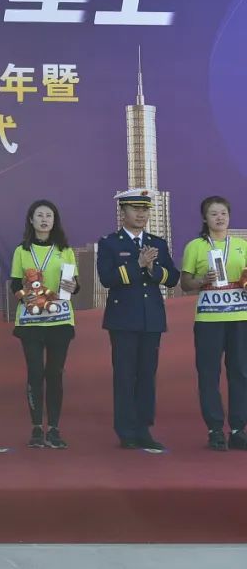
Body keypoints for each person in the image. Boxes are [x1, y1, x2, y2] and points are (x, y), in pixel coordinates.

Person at [97, 188, 180, 451]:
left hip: (151, 318)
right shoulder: (110, 243)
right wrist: (138, 264)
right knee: (124, 375)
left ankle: (143, 428)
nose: (141, 214)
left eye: (145, 209)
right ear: (122, 212)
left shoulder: (157, 243)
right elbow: (107, 279)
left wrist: (153, 269)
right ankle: (126, 431)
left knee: (146, 375)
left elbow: (173, 278)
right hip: (123, 319)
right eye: (135, 209)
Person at [9, 200, 80, 450]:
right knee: (35, 373)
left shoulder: (65, 250)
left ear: (54, 220)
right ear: (31, 220)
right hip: (31, 321)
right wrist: (24, 297)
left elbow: (73, 285)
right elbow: (15, 284)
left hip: (59, 320)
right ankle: (37, 427)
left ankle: (54, 429)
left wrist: (73, 287)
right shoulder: (22, 251)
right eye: (39, 215)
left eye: (48, 215)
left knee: (55, 373)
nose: (44, 220)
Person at [179, 196, 247, 451]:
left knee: (240, 372)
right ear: (205, 219)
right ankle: (215, 429)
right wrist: (202, 280)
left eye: (223, 214)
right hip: (209, 318)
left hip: (240, 317)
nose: (219, 218)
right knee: (209, 373)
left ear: (229, 217)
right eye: (214, 214)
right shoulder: (195, 247)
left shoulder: (241, 245)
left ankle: (238, 429)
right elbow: (185, 283)